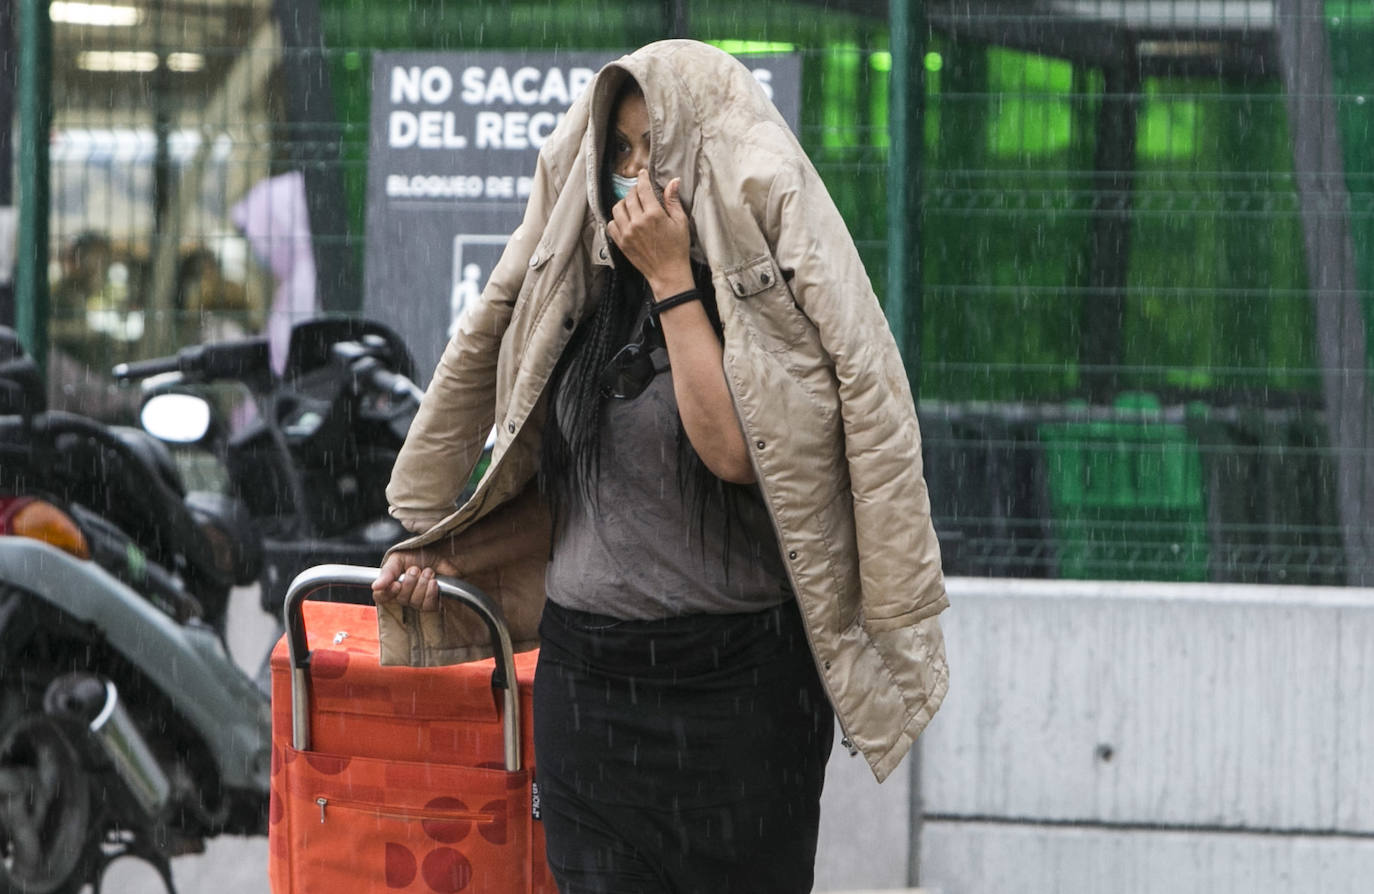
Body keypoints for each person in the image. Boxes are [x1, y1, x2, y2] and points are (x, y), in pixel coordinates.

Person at [372, 40, 949, 894]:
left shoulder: (764, 306)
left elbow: (731, 453)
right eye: (619, 152)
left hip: (740, 702)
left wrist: (674, 278)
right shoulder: (579, 299)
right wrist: (444, 560)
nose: (634, 174)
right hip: (591, 701)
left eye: (656, 151)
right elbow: (571, 502)